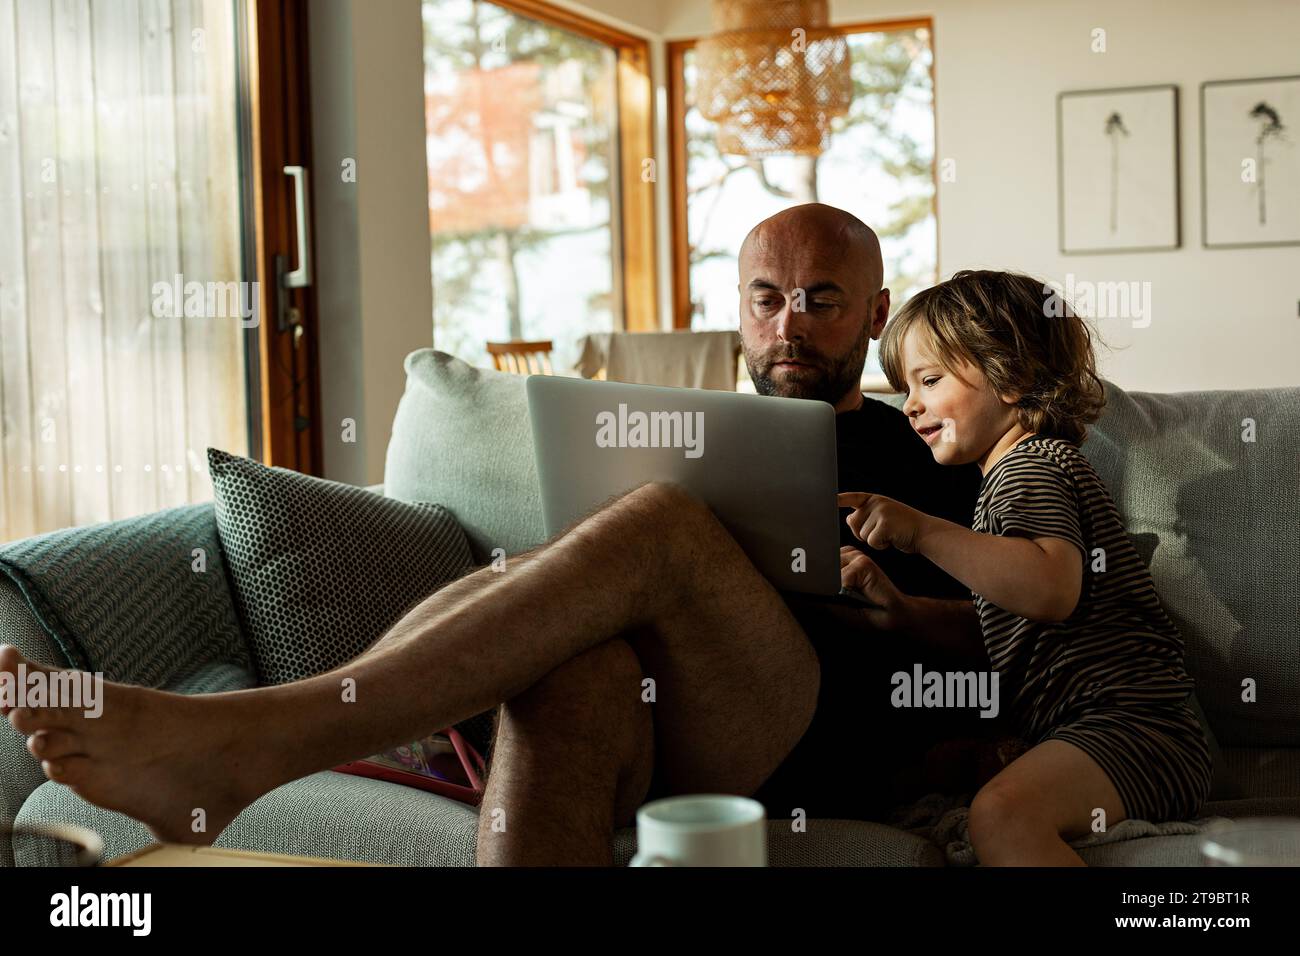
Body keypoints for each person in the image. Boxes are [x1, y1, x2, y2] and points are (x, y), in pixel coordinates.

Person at [0, 204, 981, 867]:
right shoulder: (687, 426)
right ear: (739, 308)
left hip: (810, 726)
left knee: (660, 523)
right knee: (576, 668)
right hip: (658, 708)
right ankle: (326, 726)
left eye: (821, 299)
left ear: (876, 312)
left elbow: (1010, 631)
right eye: (767, 298)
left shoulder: (930, 440)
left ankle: (263, 734)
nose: (790, 325)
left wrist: (894, 613)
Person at [841, 269, 1213, 865]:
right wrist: (904, 611)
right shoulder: (1007, 480)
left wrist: (922, 531)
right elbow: (1014, 614)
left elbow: (1050, 590)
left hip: (1136, 732)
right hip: (1107, 733)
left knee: (1001, 816)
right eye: (905, 387)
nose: (909, 405)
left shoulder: (1031, 468)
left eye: (929, 381)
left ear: (1009, 377)